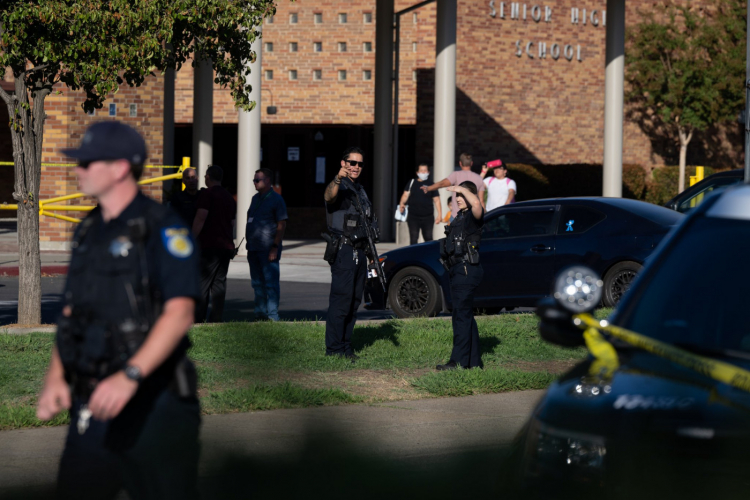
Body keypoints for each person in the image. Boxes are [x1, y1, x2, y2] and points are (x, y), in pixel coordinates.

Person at [36, 121, 201, 500]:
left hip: (155, 405)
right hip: (93, 403)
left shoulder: (162, 228)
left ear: (120, 168)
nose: (78, 171)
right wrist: (56, 376)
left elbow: (180, 313)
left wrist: (129, 376)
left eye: (88, 162)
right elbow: (70, 313)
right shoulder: (88, 230)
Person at [323, 146, 376, 360]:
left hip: (360, 251)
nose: (356, 167)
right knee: (341, 301)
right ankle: (334, 349)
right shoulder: (338, 185)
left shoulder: (359, 190)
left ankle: (345, 346)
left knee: (354, 301)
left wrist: (371, 253)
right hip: (344, 250)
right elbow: (328, 197)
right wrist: (337, 179)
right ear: (343, 163)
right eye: (352, 162)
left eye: (359, 164)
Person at [436, 181, 485, 371]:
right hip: (457, 270)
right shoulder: (459, 217)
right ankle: (474, 362)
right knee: (463, 315)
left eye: (462, 195)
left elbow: (478, 205)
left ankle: (457, 362)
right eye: (457, 196)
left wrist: (462, 189)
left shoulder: (474, 216)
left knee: (460, 317)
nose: (458, 199)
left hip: (467, 270)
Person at [193, 165, 236, 323]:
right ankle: (216, 318)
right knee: (219, 283)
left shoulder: (207, 194)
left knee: (202, 283)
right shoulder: (229, 197)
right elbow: (232, 223)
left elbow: (201, 217)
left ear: (208, 177)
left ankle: (198, 318)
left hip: (208, 245)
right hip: (225, 247)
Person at [246, 167, 288, 321]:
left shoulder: (276, 199)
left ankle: (272, 315)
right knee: (257, 283)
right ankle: (260, 313)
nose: (255, 183)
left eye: (258, 180)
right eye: (254, 180)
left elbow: (281, 224)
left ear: (268, 181)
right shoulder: (255, 198)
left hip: (268, 249)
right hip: (253, 248)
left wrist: (275, 246)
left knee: (270, 283)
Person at [421, 152, 485, 221]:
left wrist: (429, 188)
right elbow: (481, 201)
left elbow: (442, 184)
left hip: (456, 216)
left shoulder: (456, 175)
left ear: (460, 163)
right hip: (472, 218)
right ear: (471, 163)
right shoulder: (479, 178)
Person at [398, 163, 442, 245]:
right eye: (421, 170)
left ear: (428, 172)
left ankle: (429, 255)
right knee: (413, 238)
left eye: (425, 170)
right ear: (417, 172)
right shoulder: (412, 182)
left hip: (428, 217)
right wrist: (401, 204)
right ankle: (413, 256)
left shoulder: (431, 184)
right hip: (413, 216)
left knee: (428, 238)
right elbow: (405, 195)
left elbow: (437, 200)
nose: (423, 172)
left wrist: (439, 215)